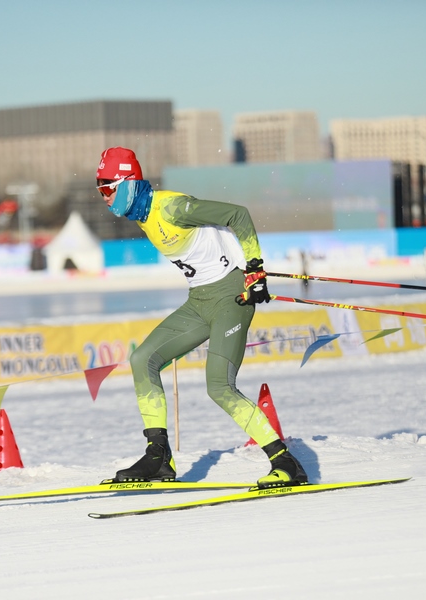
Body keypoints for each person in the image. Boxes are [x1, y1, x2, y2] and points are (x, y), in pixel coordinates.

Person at [96, 147, 307, 488]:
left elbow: (237, 215)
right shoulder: (142, 215)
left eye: (108, 188)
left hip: (230, 299)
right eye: (100, 190)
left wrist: (254, 269)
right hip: (199, 301)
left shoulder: (172, 207)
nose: (104, 197)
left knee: (219, 387)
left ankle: (286, 463)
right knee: (142, 359)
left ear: (128, 184)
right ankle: (158, 457)